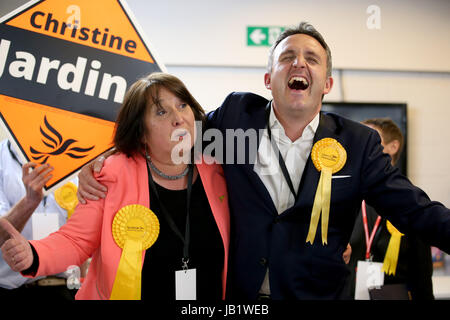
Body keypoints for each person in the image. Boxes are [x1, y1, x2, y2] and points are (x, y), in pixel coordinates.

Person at [76, 22, 450, 300]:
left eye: (311, 59)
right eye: (287, 57)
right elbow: (170, 135)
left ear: (327, 84)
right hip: (242, 299)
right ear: (269, 79)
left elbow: (416, 211)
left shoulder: (358, 143)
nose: (298, 63)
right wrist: (103, 158)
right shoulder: (236, 115)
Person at [0, 73, 230, 300]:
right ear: (141, 133)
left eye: (182, 105)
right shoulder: (112, 173)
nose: (179, 118)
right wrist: (33, 254)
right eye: (161, 112)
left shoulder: (218, 170)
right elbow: (75, 241)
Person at [346, 118, 434, 299]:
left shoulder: (411, 202)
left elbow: (422, 273)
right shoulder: (346, 198)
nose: (360, 146)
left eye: (369, 139)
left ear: (393, 147)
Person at [0, 138, 78, 300]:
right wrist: (29, 202)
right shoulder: (2, 158)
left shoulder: (76, 156)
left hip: (69, 289)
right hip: (14, 289)